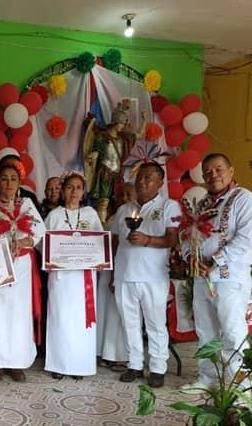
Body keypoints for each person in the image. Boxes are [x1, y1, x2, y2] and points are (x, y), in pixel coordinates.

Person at [181, 153, 252, 390]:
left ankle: (241, 386)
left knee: (232, 331)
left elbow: (248, 239)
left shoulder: (245, 200)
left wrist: (216, 261)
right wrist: (190, 257)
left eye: (218, 169)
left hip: (228, 276)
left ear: (231, 170)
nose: (213, 175)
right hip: (201, 276)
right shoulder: (203, 203)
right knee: (205, 330)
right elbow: (188, 235)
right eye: (208, 172)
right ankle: (208, 379)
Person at [112, 162, 180, 387]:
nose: (142, 181)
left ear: (160, 183)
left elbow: (172, 239)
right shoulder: (124, 209)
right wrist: (113, 273)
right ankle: (135, 364)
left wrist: (147, 240)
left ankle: (158, 367)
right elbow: (114, 242)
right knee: (129, 323)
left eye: (149, 177)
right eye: (140, 177)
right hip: (124, 274)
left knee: (155, 323)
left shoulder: (169, 206)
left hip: (153, 276)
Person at [0, 163, 45, 382]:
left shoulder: (26, 204)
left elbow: (40, 232)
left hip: (22, 266)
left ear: (19, 184)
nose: (8, 183)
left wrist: (24, 240)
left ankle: (17, 362)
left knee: (19, 314)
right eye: (4, 179)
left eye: (13, 179)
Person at [44, 172, 103, 380]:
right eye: (70, 187)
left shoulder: (90, 215)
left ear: (83, 191)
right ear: (63, 191)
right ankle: (59, 365)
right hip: (61, 279)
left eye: (78, 187)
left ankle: (80, 365)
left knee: (81, 322)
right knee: (60, 319)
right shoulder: (54, 216)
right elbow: (44, 244)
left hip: (83, 278)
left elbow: (99, 245)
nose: (74, 192)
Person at [96, 183, 134, 368]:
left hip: (119, 270)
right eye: (121, 194)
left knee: (116, 313)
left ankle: (117, 354)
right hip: (106, 269)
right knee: (102, 310)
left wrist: (113, 274)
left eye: (129, 194)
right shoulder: (114, 216)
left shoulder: (136, 216)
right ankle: (101, 350)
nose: (124, 198)